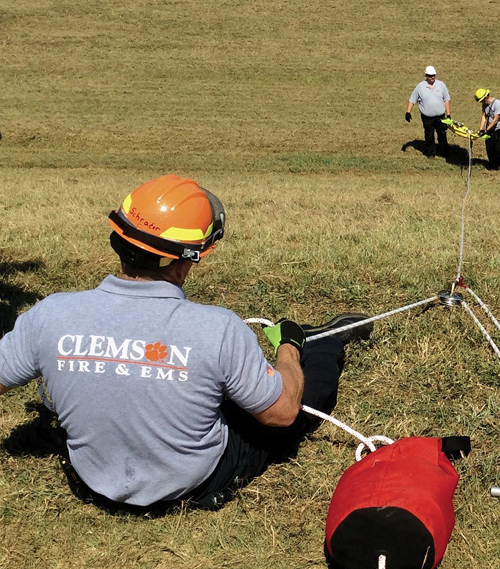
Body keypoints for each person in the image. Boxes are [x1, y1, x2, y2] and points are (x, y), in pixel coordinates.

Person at [0, 175, 371, 512]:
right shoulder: (218, 328)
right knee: (300, 392)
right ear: (183, 262)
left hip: (94, 482)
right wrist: (288, 348)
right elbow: (282, 412)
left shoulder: (51, 315)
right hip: (194, 483)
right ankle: (325, 342)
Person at [406, 65, 451, 158]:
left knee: (442, 134)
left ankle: (444, 152)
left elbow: (446, 100)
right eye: (430, 76)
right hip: (427, 118)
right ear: (426, 75)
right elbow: (412, 100)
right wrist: (408, 112)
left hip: (440, 116)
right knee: (429, 135)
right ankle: (430, 153)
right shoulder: (420, 87)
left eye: (434, 75)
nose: (432, 77)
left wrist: (448, 114)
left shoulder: (441, 85)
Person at [475, 88, 500, 171]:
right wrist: (481, 129)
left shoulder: (497, 103)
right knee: (489, 149)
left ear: (485, 98)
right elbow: (484, 116)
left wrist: (486, 130)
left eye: (481, 100)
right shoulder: (484, 105)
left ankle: (498, 166)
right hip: (490, 130)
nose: (481, 103)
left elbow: (496, 119)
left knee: (498, 150)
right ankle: (491, 166)